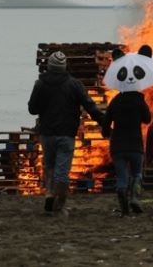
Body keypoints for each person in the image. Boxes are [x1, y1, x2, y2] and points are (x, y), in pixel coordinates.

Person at [28, 51, 104, 217]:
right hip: (66, 134)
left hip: (47, 134)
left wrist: (44, 106)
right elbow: (89, 105)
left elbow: (32, 109)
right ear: (64, 67)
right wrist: (104, 122)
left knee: (49, 166)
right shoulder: (74, 84)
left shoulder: (40, 84)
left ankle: (49, 193)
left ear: (49, 66)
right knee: (62, 172)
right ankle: (59, 206)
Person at [101, 79, 152, 216]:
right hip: (135, 145)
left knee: (122, 177)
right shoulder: (139, 100)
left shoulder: (115, 101)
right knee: (137, 173)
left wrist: (107, 134)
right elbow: (147, 119)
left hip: (118, 146)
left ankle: (124, 207)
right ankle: (134, 198)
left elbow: (106, 124)